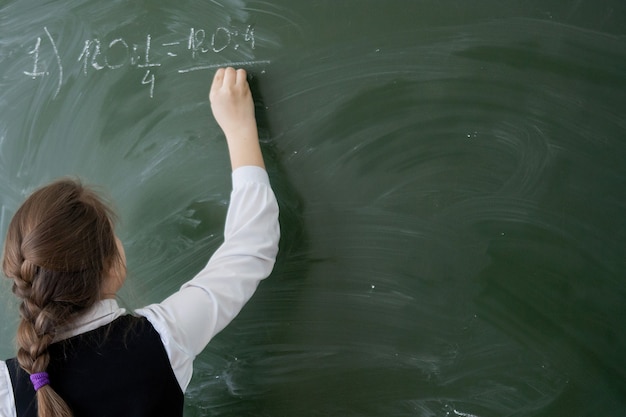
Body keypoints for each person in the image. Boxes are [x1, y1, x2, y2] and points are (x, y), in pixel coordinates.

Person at [0, 67, 280, 417]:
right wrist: (240, 130)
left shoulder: (8, 390)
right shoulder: (164, 337)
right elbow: (251, 247)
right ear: (110, 264)